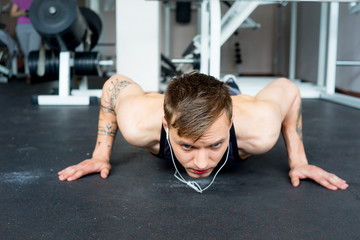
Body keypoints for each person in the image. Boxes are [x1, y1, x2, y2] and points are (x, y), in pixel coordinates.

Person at [58, 72, 349, 192]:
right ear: (165, 126)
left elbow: (288, 89)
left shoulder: (259, 126)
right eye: (186, 147)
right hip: (171, 103)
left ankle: (228, 87)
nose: (201, 164)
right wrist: (100, 155)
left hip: (235, 102)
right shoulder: (137, 123)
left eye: (214, 145)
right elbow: (113, 85)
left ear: (231, 125)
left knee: (232, 93)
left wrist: (299, 161)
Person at [10, 0, 40, 83]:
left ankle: (31, 74)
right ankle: (29, 73)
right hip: (21, 28)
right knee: (27, 53)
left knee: (32, 52)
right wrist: (22, 13)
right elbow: (12, 13)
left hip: (35, 27)